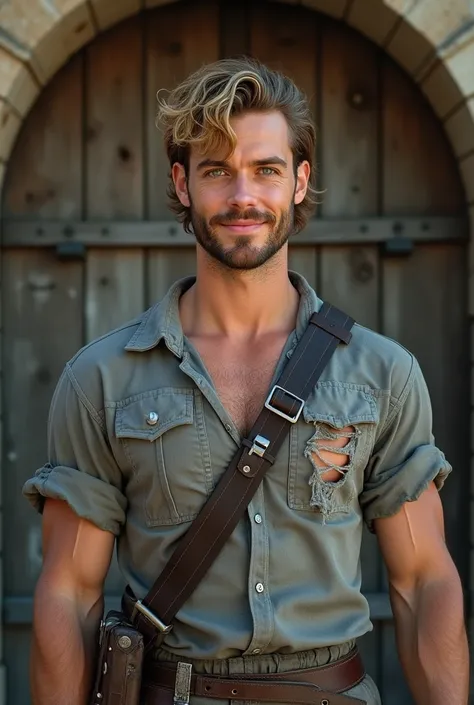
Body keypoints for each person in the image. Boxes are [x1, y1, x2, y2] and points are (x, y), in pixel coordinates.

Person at [23, 57, 468, 705]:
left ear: (299, 181)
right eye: (216, 171)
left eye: (265, 169)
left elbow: (424, 578)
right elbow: (69, 591)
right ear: (181, 184)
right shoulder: (102, 378)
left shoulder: (382, 372)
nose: (242, 197)